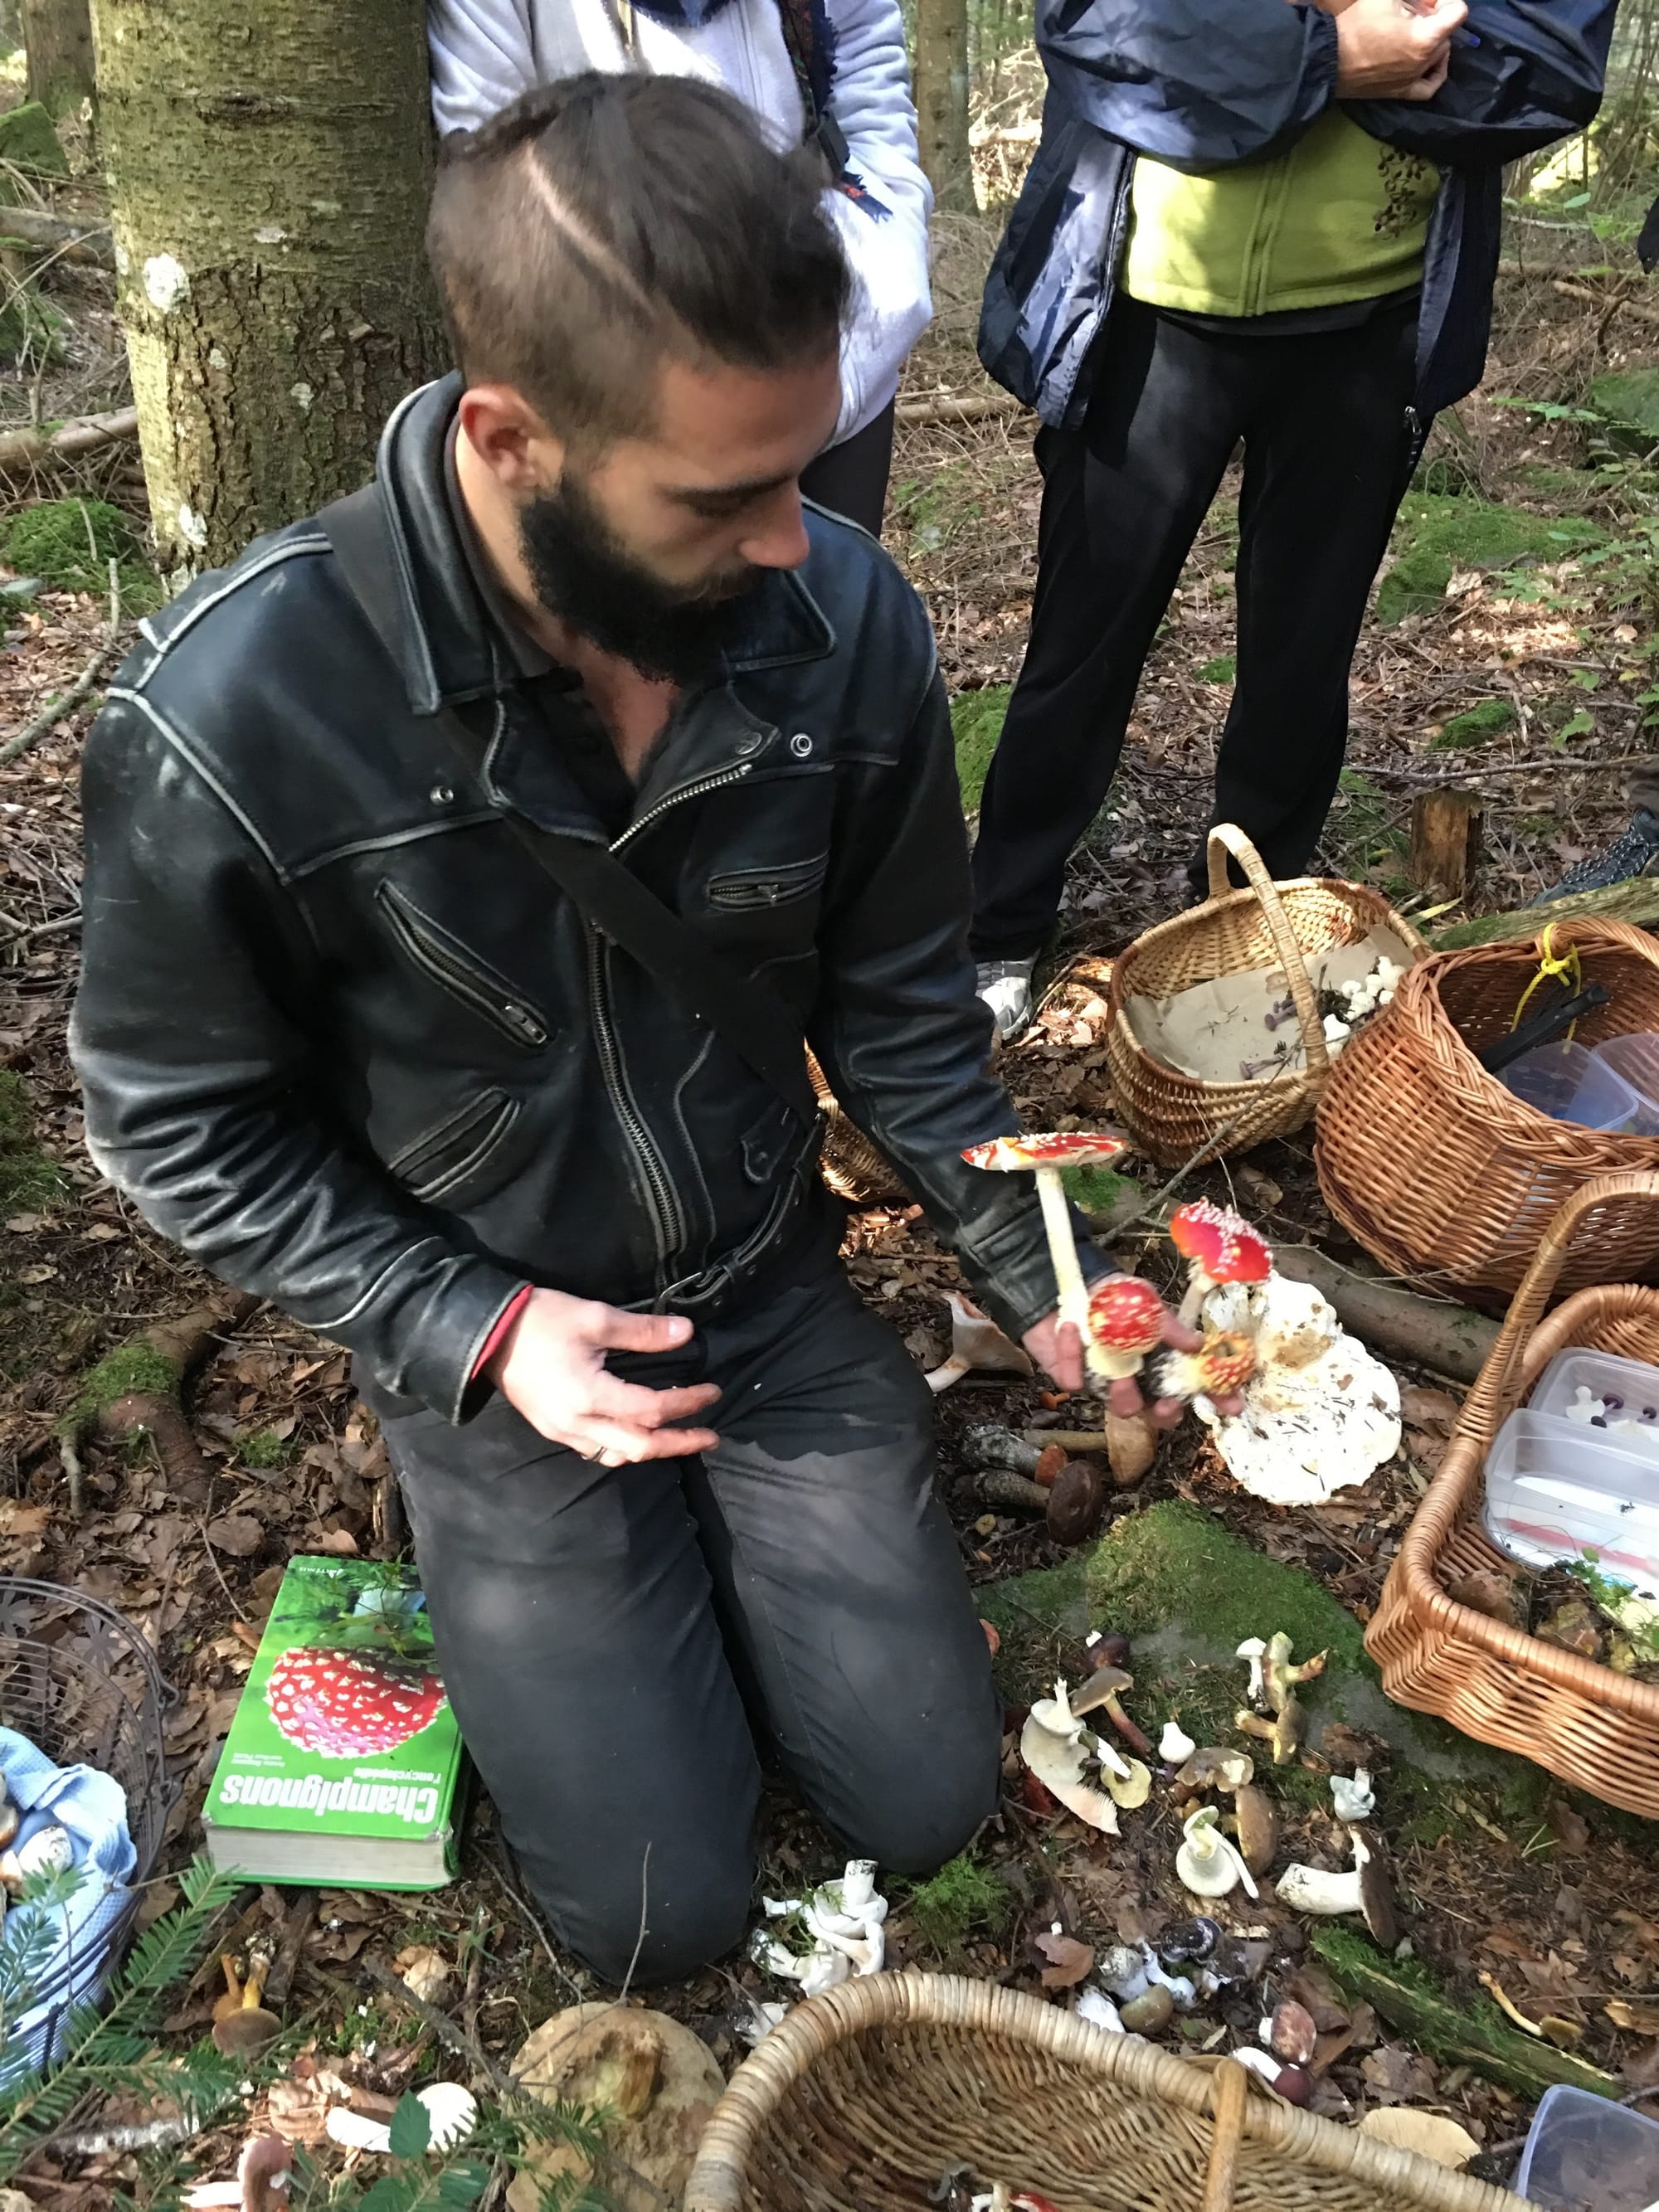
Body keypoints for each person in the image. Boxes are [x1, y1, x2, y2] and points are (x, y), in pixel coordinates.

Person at [70, 77, 1203, 1985]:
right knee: (651, 1917)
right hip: (500, 1330)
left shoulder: (842, 629)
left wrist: (1044, 1275)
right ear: (510, 439)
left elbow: (905, 1016)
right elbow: (176, 1124)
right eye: (717, 497)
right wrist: (472, 1332)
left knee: (921, 1798)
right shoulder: (237, 710)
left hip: (760, 1292)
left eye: (804, 464)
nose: (791, 542)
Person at [969, 0, 1618, 1040]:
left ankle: (1240, 930)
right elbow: (1095, 31)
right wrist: (1338, 54)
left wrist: (1267, 66)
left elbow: (1545, 70)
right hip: (1145, 307)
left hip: (1369, 322)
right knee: (1080, 641)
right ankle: (997, 927)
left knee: (1300, 657)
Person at [426, 0, 933, 537]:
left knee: (833, 600)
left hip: (833, 348)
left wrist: (868, 310)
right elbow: (495, 178)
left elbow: (866, 61)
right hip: (639, 415)